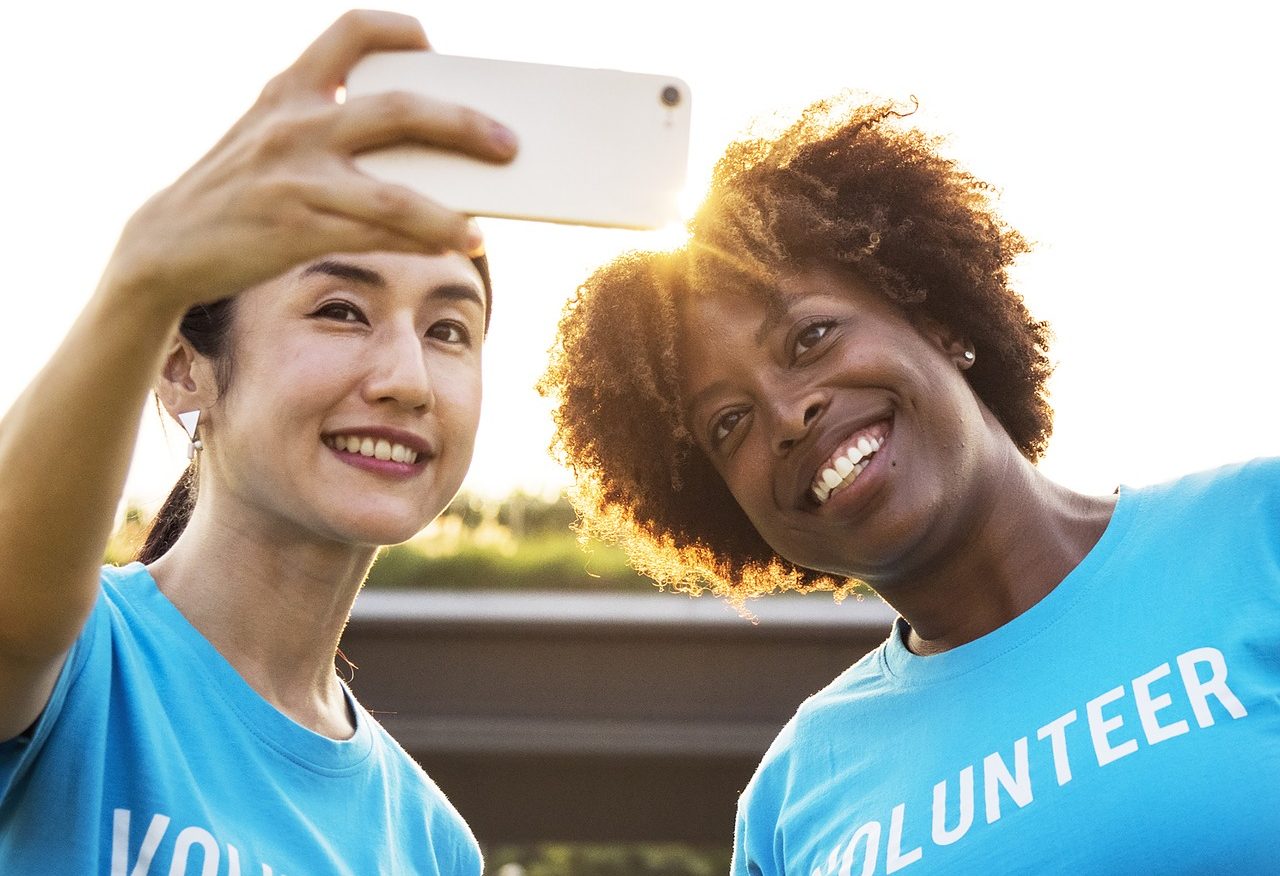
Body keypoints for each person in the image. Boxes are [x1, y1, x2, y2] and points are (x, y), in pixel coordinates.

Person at [539, 97, 1280, 873]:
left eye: (811, 337)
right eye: (729, 423)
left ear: (942, 324)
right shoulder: (793, 803)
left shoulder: (1254, 533)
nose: (789, 417)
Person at [0, 11, 520, 874]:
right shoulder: (79, 664)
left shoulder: (431, 846)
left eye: (449, 328)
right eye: (340, 310)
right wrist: (143, 276)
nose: (407, 378)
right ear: (180, 368)